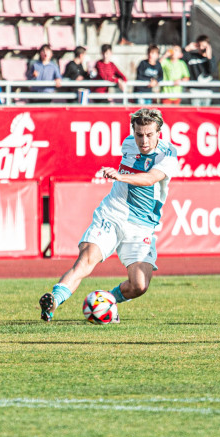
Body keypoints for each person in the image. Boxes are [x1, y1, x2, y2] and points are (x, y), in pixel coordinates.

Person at [39, 108, 178, 322]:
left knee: (139, 285)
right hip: (113, 213)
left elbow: (150, 179)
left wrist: (121, 177)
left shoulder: (167, 155)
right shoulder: (128, 143)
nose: (144, 140)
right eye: (139, 134)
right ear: (133, 131)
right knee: (87, 259)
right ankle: (53, 301)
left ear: (159, 132)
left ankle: (107, 301)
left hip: (141, 225)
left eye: (149, 135)